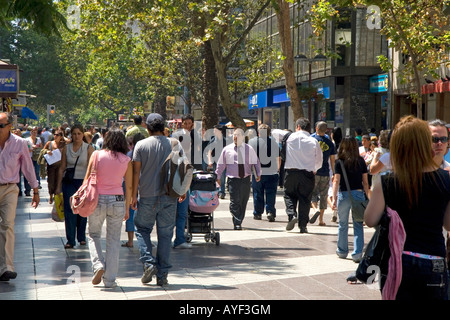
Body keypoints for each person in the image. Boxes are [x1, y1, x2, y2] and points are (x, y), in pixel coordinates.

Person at [365, 115, 450, 300]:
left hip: (398, 260)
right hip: (433, 260)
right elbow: (448, 224)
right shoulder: (446, 179)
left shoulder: (386, 181)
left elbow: (370, 220)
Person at [131, 113, 180, 286]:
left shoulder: (141, 145)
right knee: (166, 235)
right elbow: (182, 168)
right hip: (169, 195)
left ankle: (148, 262)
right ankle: (163, 275)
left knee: (142, 228)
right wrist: (182, 191)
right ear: (164, 126)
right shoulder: (174, 143)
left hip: (147, 194)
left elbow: (136, 172)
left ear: (147, 127)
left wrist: (133, 195)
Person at [86, 127, 133, 288]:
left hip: (97, 199)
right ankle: (110, 280)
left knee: (93, 234)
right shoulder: (126, 160)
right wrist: (127, 208)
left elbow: (87, 180)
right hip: (118, 200)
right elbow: (130, 187)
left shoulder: (96, 155)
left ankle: (98, 264)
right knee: (113, 240)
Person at [0, 112, 40, 281]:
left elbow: (28, 168)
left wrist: (35, 190)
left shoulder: (19, 143)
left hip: (9, 189)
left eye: (1, 126)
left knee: (7, 225)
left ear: (10, 126)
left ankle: (6, 267)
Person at [332, 136, 369, 262]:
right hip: (358, 194)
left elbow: (336, 181)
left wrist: (333, 198)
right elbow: (365, 182)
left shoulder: (339, 162)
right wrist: (368, 197)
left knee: (343, 224)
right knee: (358, 224)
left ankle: (342, 251)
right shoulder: (361, 161)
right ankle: (357, 253)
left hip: (343, 195)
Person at [216, 127, 261, 230]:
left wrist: (258, 173)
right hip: (233, 180)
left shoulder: (249, 149)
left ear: (243, 137)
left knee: (243, 201)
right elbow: (220, 164)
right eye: (234, 135)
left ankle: (239, 219)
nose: (235, 137)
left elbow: (256, 162)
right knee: (234, 201)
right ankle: (237, 222)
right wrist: (218, 176)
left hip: (245, 179)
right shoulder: (227, 149)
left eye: (238, 135)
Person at [58, 124, 94, 249]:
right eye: (74, 134)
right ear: (71, 135)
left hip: (83, 183)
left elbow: (92, 169)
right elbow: (62, 167)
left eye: (79, 133)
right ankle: (70, 240)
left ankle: (81, 237)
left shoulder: (89, 149)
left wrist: (90, 185)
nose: (76, 136)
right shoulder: (66, 149)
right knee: (69, 210)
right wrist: (58, 187)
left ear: (83, 134)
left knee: (82, 210)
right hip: (68, 182)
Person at [284, 118, 323, 233]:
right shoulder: (313, 141)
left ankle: (292, 215)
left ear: (298, 127)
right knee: (305, 199)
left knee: (289, 195)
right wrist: (314, 169)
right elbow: (319, 160)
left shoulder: (290, 137)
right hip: (307, 174)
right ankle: (303, 226)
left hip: (291, 172)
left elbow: (275, 133)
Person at [248, 124, 280, 222]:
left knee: (257, 193)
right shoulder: (274, 143)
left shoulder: (252, 142)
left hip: (257, 172)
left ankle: (257, 213)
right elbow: (278, 158)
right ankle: (270, 211)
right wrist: (278, 169)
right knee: (271, 193)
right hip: (272, 172)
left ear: (258, 132)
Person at [310, 121, 336, 226]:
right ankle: (321, 219)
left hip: (313, 171)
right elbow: (333, 159)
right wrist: (333, 172)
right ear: (326, 130)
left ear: (316, 128)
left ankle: (315, 209)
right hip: (325, 172)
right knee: (323, 195)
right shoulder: (330, 142)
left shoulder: (311, 140)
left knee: (312, 193)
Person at [122, 133, 145, 248]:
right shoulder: (147, 155)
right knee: (145, 214)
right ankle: (146, 240)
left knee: (130, 212)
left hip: (130, 185)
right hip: (144, 186)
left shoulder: (129, 155)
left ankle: (130, 241)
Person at [43, 129, 66, 204]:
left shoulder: (64, 144)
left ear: (61, 136)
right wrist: (47, 151)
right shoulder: (49, 143)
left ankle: (57, 195)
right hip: (51, 166)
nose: (55, 136)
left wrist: (64, 138)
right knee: (51, 181)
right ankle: (50, 195)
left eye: (57, 135)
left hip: (60, 166)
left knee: (58, 181)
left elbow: (69, 141)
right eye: (54, 134)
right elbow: (43, 151)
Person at [207, 124, 229, 199]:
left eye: (215, 130)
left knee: (222, 177)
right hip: (215, 162)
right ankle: (217, 191)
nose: (214, 132)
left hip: (223, 162)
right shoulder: (213, 140)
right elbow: (209, 151)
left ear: (220, 131)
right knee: (216, 177)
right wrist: (210, 161)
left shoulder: (225, 140)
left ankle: (221, 192)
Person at [23, 126, 43, 195]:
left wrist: (37, 146)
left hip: (36, 157)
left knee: (37, 172)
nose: (34, 133)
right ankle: (27, 190)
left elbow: (41, 147)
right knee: (28, 173)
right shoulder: (27, 140)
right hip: (29, 157)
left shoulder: (39, 139)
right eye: (33, 132)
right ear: (31, 132)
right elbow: (25, 148)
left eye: (35, 132)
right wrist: (30, 148)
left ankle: (37, 186)